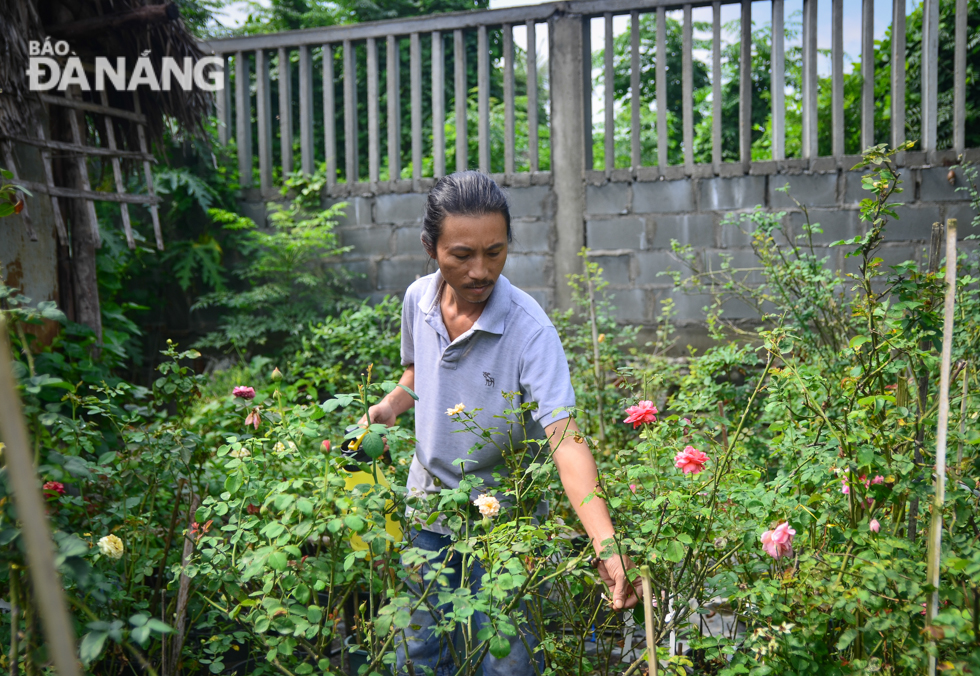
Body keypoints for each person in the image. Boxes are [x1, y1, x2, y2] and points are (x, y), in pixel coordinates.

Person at [364, 171, 639, 676]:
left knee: (509, 662)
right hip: (429, 512)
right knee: (421, 656)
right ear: (431, 248)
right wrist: (389, 408)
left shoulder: (529, 330)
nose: (480, 270)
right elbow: (417, 371)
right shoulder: (418, 300)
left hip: (507, 528)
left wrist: (606, 542)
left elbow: (565, 437)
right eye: (462, 255)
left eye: (495, 252)